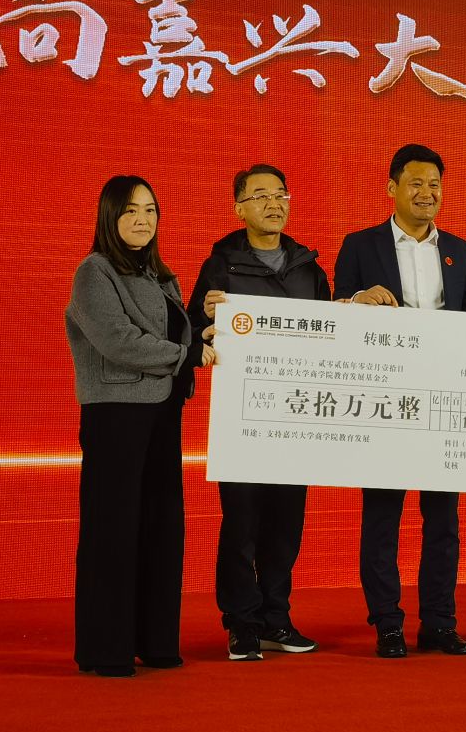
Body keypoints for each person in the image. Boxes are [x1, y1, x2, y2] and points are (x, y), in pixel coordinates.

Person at [333, 144, 466, 658]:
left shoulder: (460, 250)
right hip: (384, 400)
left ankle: (439, 622)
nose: (427, 193)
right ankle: (387, 623)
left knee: (444, 521)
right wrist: (357, 300)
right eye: (416, 183)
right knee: (382, 517)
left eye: (435, 184)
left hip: (444, 400)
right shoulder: (360, 244)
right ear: (391, 188)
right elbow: (335, 310)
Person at [65, 175, 213, 676]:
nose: (142, 219)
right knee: (113, 530)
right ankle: (107, 650)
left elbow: (175, 334)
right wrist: (184, 355)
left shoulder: (159, 275)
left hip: (161, 412)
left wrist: (203, 330)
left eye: (150, 210)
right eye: (130, 210)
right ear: (109, 216)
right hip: (116, 415)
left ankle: (156, 642)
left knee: (160, 526)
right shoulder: (94, 271)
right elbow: (118, 340)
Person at [193, 163, 332, 662]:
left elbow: (332, 336)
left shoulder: (309, 268)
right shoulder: (221, 266)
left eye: (281, 194)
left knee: (285, 525)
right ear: (239, 208)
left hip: (296, 416)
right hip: (243, 417)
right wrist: (204, 319)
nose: (274, 203)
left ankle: (276, 618)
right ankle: (242, 623)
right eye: (260, 196)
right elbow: (190, 330)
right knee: (242, 524)